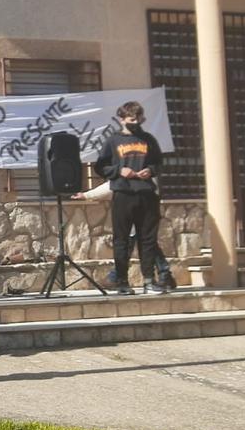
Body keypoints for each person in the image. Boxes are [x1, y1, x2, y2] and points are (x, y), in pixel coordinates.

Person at [96, 101, 165, 295]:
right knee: (122, 240)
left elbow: (159, 163)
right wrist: (119, 170)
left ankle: (149, 281)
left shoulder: (148, 139)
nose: (135, 122)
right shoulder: (113, 141)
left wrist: (149, 170)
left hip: (146, 194)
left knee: (148, 239)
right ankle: (122, 282)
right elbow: (101, 166)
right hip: (123, 194)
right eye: (131, 119)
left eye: (138, 119)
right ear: (122, 119)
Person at [72, 180, 177, 290]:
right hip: (140, 207)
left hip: (139, 208)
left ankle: (117, 277)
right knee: (146, 243)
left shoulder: (138, 173)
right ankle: (164, 274)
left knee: (137, 243)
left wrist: (87, 195)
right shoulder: (144, 172)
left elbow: (113, 186)